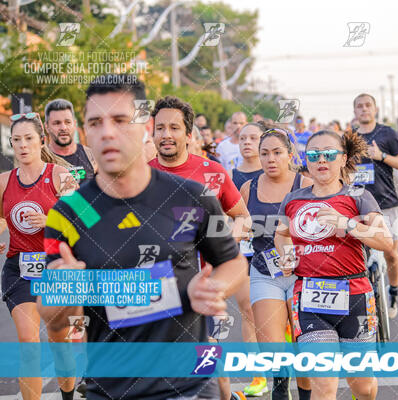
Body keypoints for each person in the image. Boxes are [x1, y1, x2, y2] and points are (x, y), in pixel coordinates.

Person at [39, 74, 247, 400]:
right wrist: (62, 295)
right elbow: (53, 322)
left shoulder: (191, 197)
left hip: (188, 387)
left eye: (120, 120)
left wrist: (214, 288)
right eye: (96, 122)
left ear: (144, 126)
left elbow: (234, 263)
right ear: (86, 133)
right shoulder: (69, 213)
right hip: (110, 388)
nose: (108, 132)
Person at [147, 96, 266, 398]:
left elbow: (243, 219)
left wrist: (221, 244)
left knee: (209, 371)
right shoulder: (137, 174)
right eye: (160, 128)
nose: (166, 135)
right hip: (148, 290)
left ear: (189, 135)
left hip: (199, 286)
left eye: (174, 128)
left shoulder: (211, 172)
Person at [274, 130, 392, 400]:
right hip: (309, 298)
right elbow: (281, 235)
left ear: (344, 159)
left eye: (329, 154)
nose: (321, 160)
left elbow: (385, 241)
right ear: (306, 160)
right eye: (314, 155)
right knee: (324, 385)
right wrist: (286, 255)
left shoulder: (358, 197)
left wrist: (347, 224)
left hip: (355, 296)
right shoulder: (293, 200)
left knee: (361, 385)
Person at [1, 112, 78, 400]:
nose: (22, 145)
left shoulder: (61, 177)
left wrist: (51, 220)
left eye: (29, 139)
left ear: (42, 141)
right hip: (19, 269)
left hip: (55, 267)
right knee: (29, 343)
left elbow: (89, 219)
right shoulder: (3, 181)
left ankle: (68, 396)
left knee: (60, 342)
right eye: (16, 140)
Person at [239, 128, 312, 400]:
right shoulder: (249, 188)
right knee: (272, 344)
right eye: (265, 153)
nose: (271, 159)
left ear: (289, 155)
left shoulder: (305, 185)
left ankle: (305, 393)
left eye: (277, 153)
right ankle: (281, 392)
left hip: (302, 274)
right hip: (264, 271)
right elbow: (235, 222)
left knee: (301, 342)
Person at [353, 93, 398, 319]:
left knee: (391, 254)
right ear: (355, 111)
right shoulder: (351, 138)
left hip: (387, 204)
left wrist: (381, 155)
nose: (364, 109)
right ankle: (366, 302)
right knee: (361, 259)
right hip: (360, 207)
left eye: (368, 105)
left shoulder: (387, 133)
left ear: (375, 109)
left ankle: (393, 291)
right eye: (359, 106)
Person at [44, 99, 97, 185]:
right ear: (47, 127)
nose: (63, 127)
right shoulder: (41, 160)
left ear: (75, 124)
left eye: (67, 122)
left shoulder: (91, 156)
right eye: (57, 123)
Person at [231, 123, 264, 190]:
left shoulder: (272, 173)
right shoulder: (229, 176)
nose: (247, 142)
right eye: (242, 138)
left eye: (253, 138)